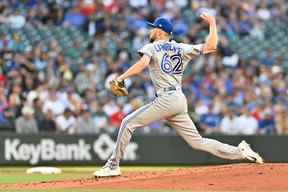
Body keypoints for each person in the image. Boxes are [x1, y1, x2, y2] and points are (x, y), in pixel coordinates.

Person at [93, 14, 263, 177]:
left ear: (159, 31)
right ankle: (239, 151)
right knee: (198, 142)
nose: (150, 31)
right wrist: (212, 24)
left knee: (127, 122)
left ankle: (113, 165)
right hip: (179, 99)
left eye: (153, 28)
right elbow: (211, 46)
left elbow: (143, 63)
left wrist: (121, 77)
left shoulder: (152, 46)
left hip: (166, 98)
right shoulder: (181, 47)